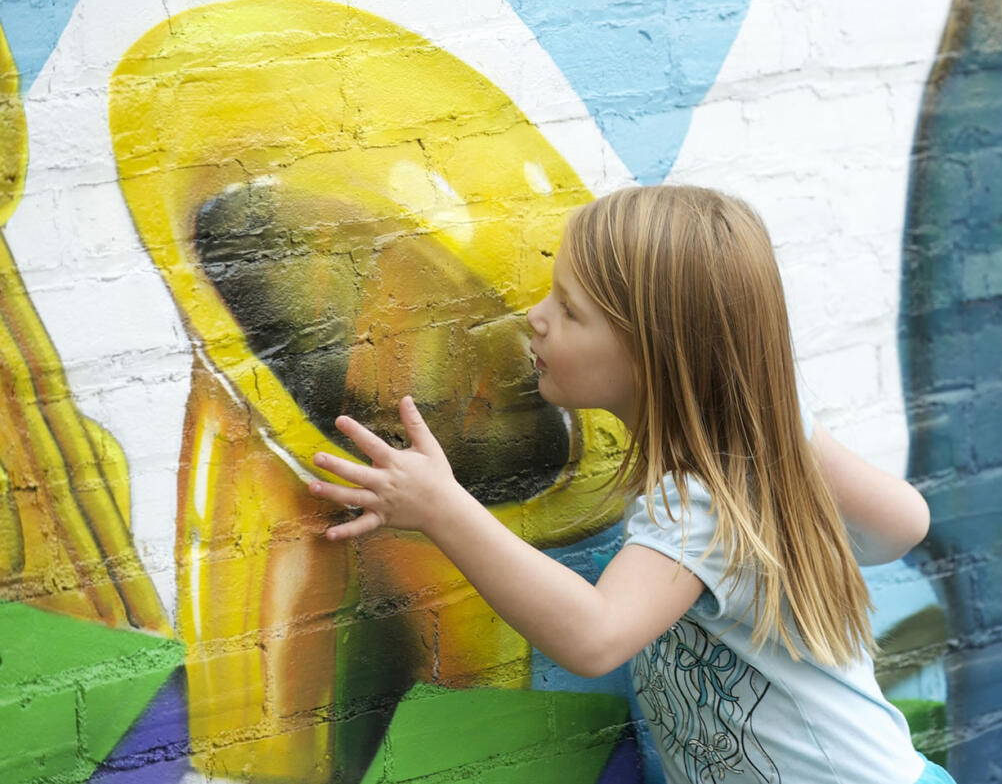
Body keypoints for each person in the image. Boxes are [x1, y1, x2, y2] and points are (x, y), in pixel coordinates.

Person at [308, 185, 954, 784]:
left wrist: (442, 507)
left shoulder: (701, 498)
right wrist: (787, 427)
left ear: (655, 351)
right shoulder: (752, 458)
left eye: (570, 309)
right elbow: (903, 526)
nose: (537, 316)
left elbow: (594, 636)